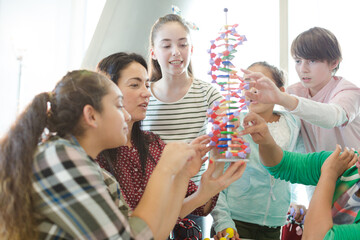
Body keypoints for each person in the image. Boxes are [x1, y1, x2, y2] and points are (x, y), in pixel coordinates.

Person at [0, 70, 227, 240]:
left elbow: (152, 234)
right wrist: (165, 169)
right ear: (91, 115)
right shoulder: (59, 156)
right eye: (119, 106)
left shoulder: (95, 172)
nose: (126, 117)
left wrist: (182, 175)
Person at [95, 52, 247, 233]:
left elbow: (190, 209)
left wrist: (214, 169)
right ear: (108, 91)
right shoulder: (95, 154)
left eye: (146, 84)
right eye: (135, 85)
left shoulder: (154, 144)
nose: (146, 93)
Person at [243, 27, 360, 200]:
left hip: (354, 181)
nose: (303, 69)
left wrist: (283, 98)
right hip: (319, 181)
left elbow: (333, 117)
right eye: (298, 61)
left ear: (334, 62)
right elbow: (296, 146)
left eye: (312, 61)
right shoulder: (293, 92)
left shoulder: (348, 91)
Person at [142, 13, 224, 232]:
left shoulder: (209, 94)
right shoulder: (143, 96)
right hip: (148, 199)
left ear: (191, 49)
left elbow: (225, 143)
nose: (176, 52)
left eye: (182, 44)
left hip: (193, 203)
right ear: (153, 52)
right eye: (166, 45)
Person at [211, 62, 306, 240]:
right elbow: (214, 180)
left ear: (280, 91)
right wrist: (223, 222)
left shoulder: (294, 124)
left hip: (275, 224)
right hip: (235, 224)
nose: (252, 91)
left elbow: (293, 171)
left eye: (260, 84)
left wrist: (293, 201)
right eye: (247, 84)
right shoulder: (229, 125)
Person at [240, 111, 360, 240]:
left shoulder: (336, 168)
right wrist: (266, 141)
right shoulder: (349, 164)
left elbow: (316, 237)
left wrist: (329, 174)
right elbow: (282, 165)